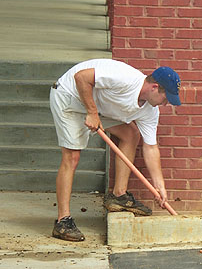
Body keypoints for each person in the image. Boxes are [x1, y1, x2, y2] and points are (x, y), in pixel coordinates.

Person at [49, 59, 181, 242]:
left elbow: (150, 147)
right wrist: (92, 112)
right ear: (154, 87)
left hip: (98, 106)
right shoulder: (125, 79)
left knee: (131, 134)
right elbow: (81, 77)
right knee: (72, 156)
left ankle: (118, 195)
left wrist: (160, 186)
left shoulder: (150, 111)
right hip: (70, 97)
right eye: (165, 99)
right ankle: (63, 221)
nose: (165, 104)